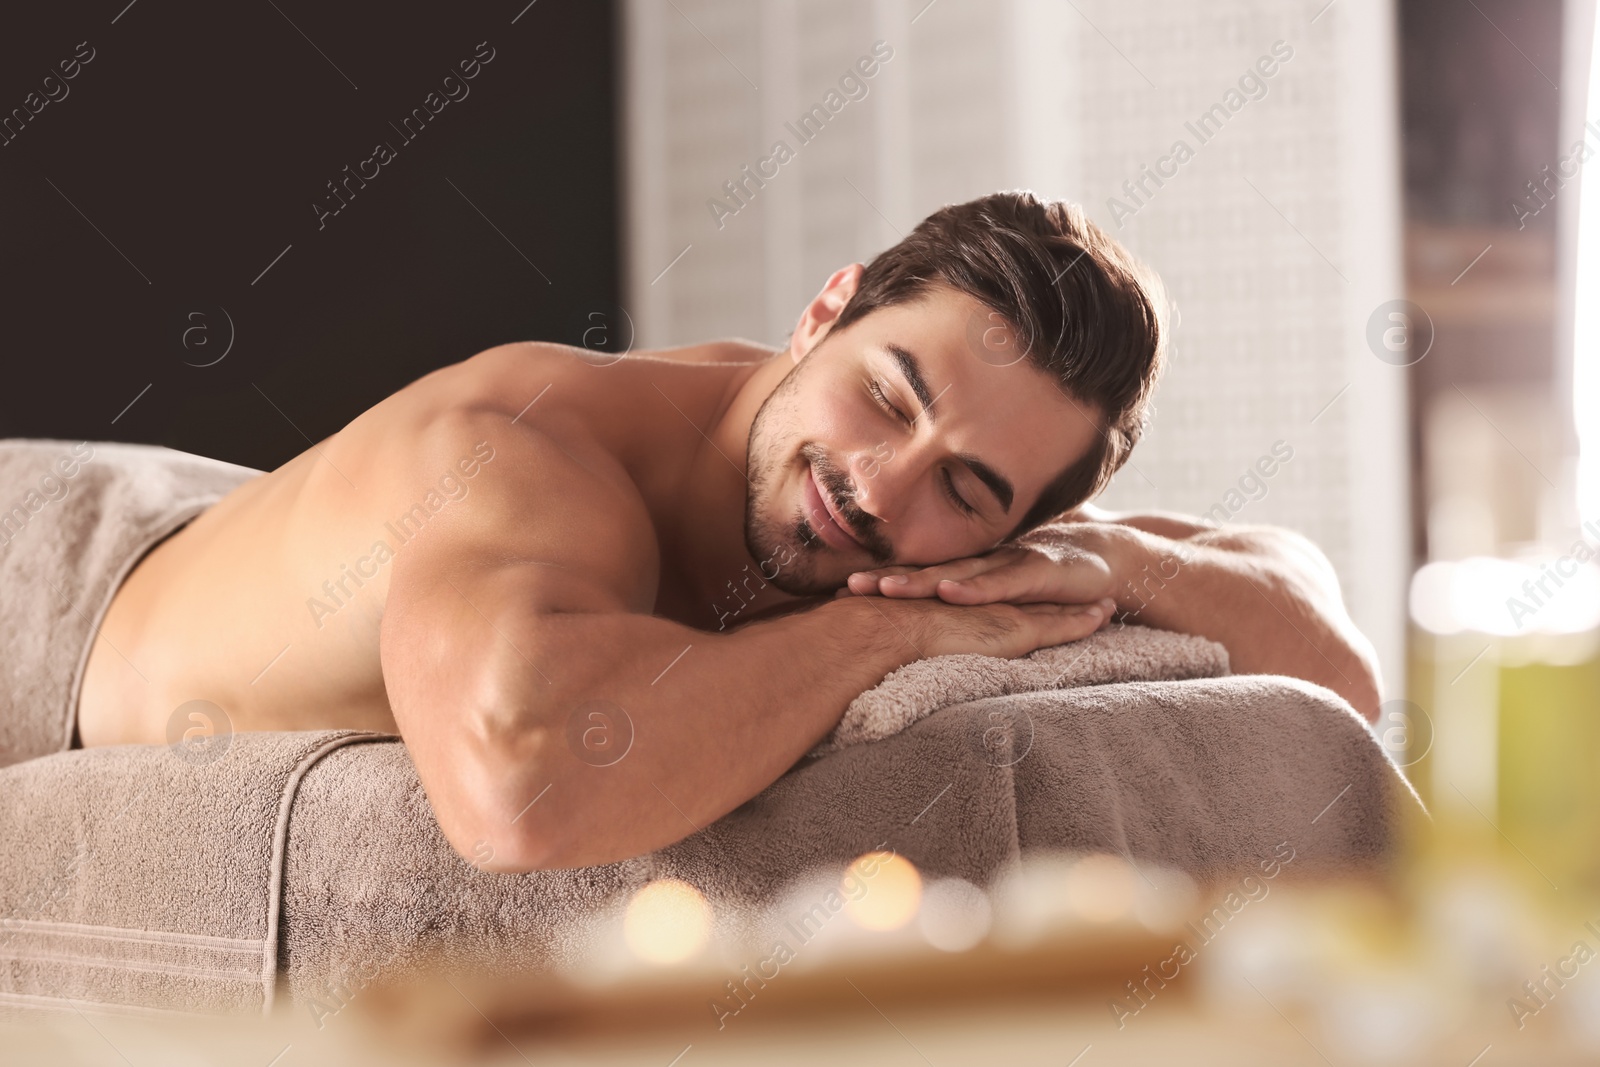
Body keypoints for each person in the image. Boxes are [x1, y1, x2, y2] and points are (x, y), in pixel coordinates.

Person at [75, 191, 1381, 872]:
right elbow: (522, 789)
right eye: (888, 394)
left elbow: (1337, 677)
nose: (881, 486)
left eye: (971, 489)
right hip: (70, 587)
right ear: (825, 312)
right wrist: (867, 636)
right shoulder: (530, 455)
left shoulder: (983, 525)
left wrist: (1124, 564)